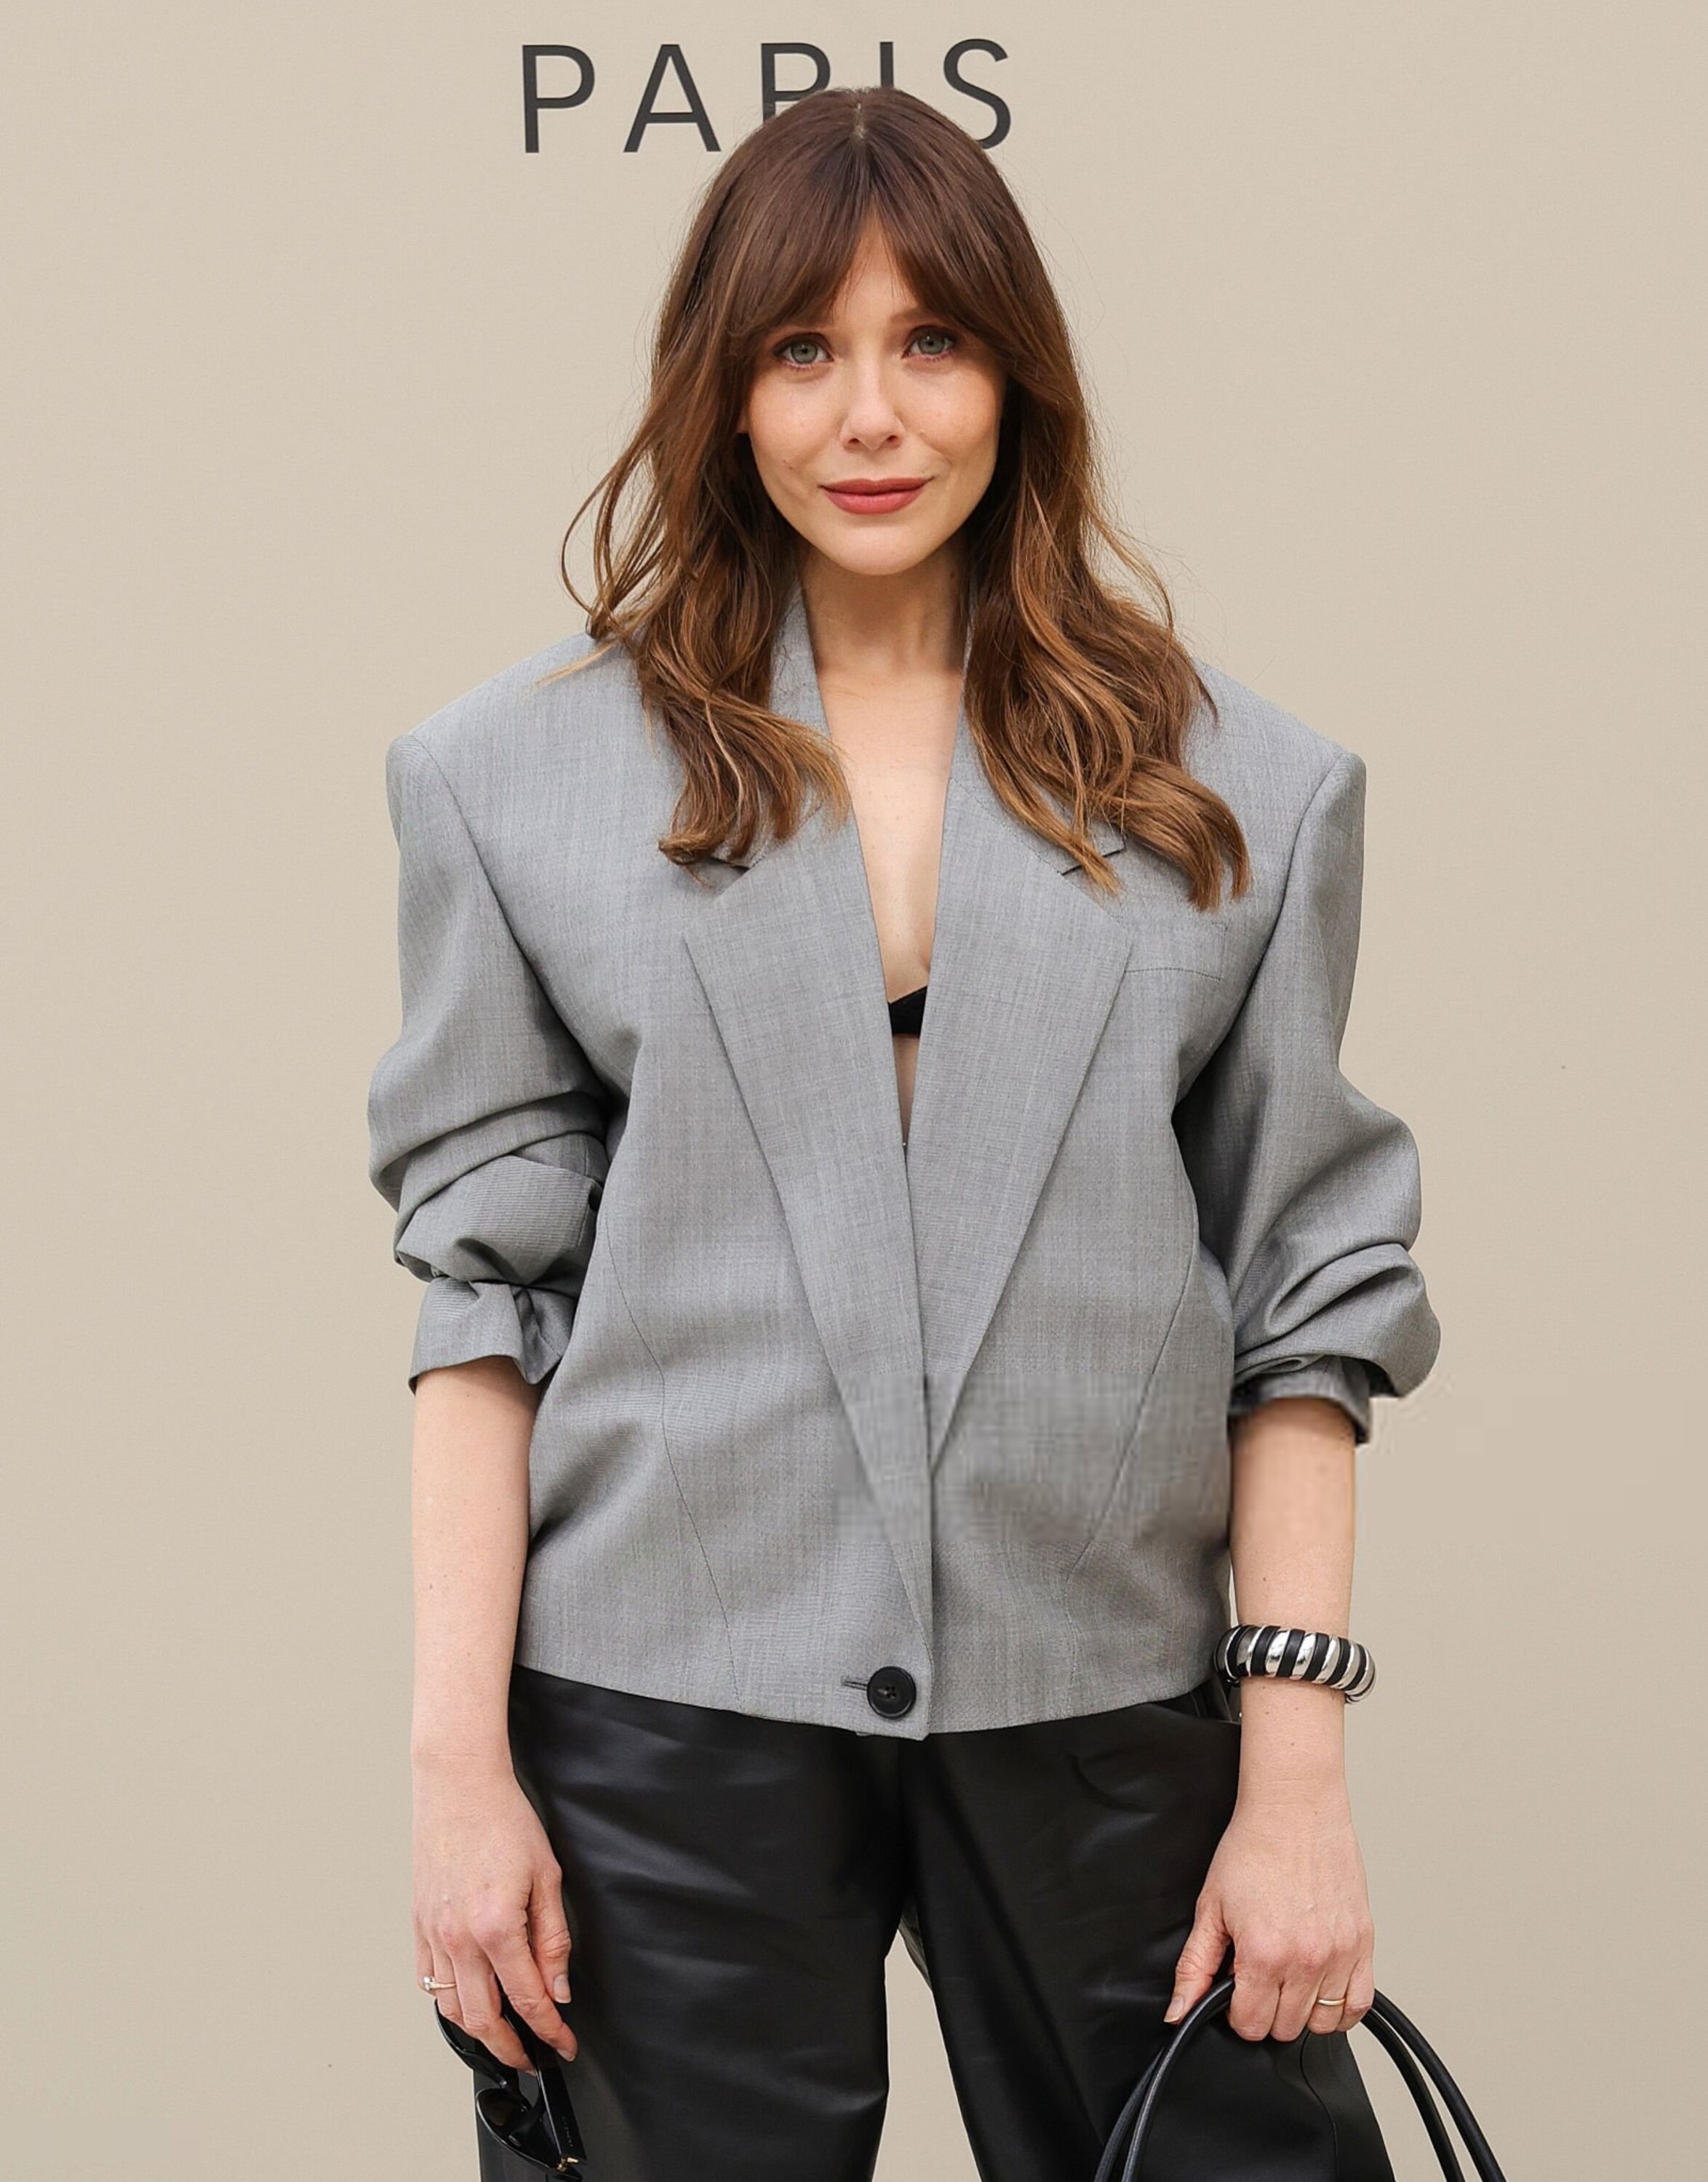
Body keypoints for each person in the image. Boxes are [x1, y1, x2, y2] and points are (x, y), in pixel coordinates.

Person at [366, 84, 1440, 2182]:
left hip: (1104, 1699)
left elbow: (1307, 1300)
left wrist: (1294, 1772)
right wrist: (454, 1773)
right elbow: (482, 1304)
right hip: (663, 1722)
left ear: (1014, 376)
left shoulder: (1248, 787)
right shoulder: (505, 781)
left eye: (929, 341)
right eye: (803, 349)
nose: (871, 415)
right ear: (724, 389)